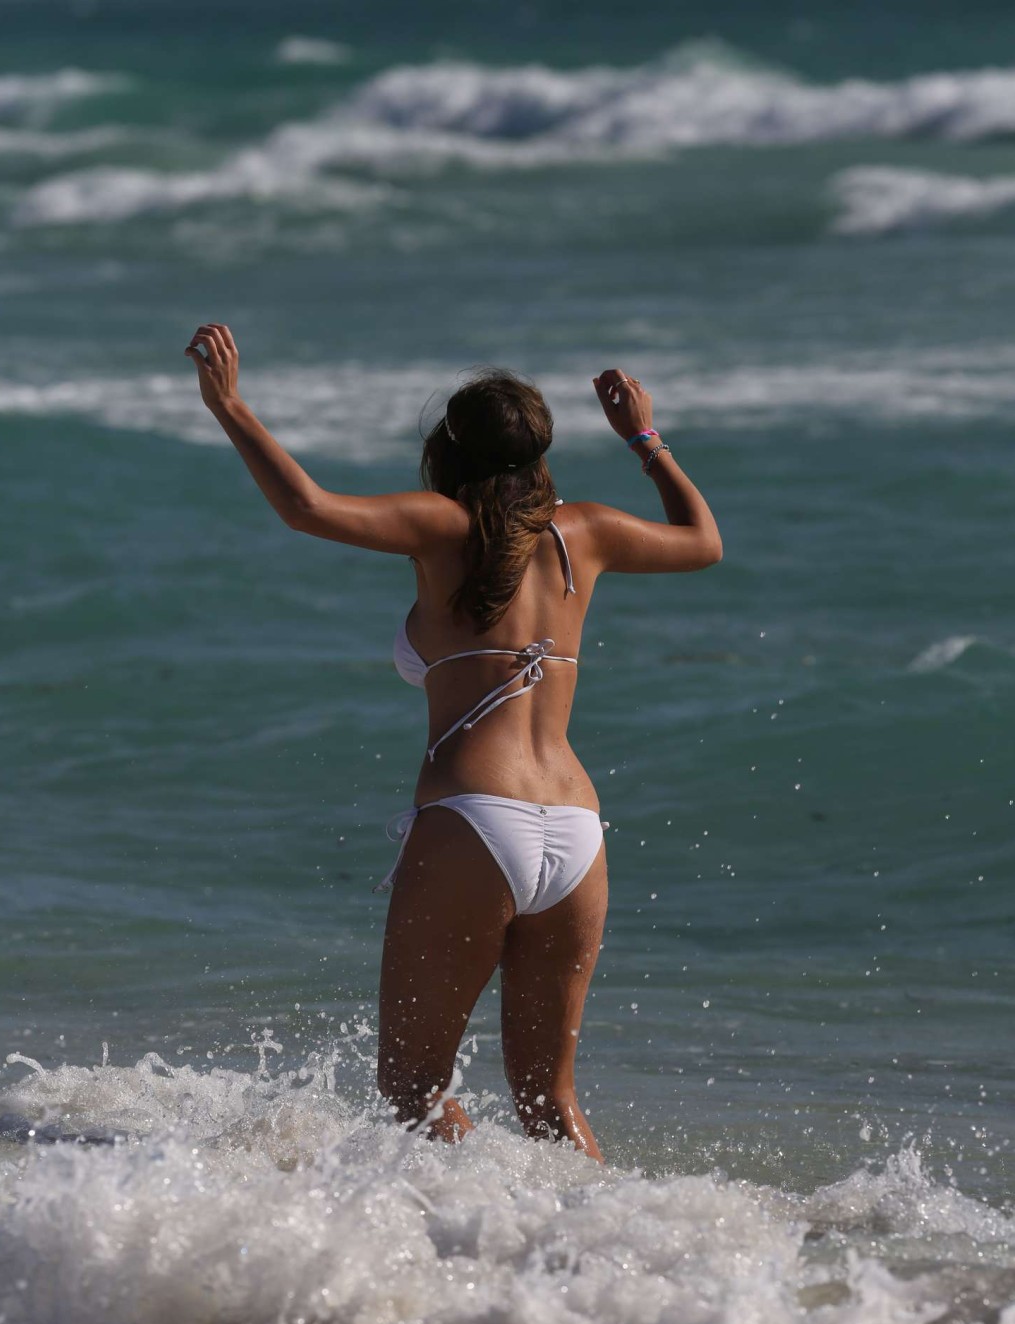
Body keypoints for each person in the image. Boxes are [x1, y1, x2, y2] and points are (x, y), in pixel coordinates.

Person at [185, 324, 722, 1163]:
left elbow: (306, 508)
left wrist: (231, 407)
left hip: (475, 819)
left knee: (412, 1090)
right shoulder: (585, 533)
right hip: (575, 832)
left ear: (448, 446)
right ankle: (606, 1262)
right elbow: (704, 542)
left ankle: (475, 1256)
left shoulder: (442, 526)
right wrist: (643, 441)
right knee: (550, 1101)